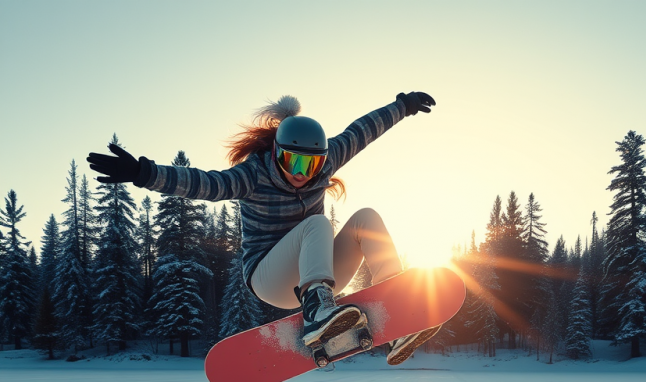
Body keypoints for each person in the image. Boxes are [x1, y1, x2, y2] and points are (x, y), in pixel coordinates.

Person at [87, 91, 439, 364]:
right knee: (318, 223)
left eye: (311, 164)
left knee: (366, 218)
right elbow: (203, 184)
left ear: (323, 159)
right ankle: (317, 312)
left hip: (318, 271)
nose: (301, 172)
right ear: (276, 153)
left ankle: (398, 306)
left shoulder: (327, 161)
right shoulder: (252, 176)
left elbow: (362, 131)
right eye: (292, 160)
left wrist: (403, 106)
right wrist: (144, 174)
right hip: (269, 278)